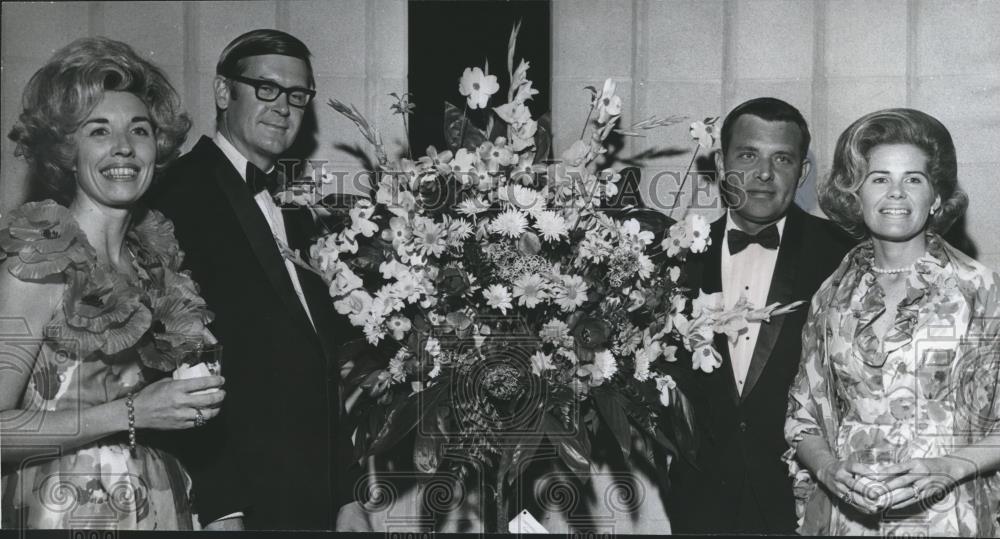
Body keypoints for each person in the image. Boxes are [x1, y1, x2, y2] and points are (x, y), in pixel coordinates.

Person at [0, 37, 225, 530]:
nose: (123, 146)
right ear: (67, 149)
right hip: (62, 509)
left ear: (157, 147)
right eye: (99, 131)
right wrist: (129, 414)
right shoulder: (37, 266)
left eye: (139, 130)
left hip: (159, 502)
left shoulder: (156, 266)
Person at [147, 29, 357, 530]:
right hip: (236, 499)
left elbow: (319, 361)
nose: (283, 106)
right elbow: (171, 360)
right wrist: (221, 505)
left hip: (312, 496)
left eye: (297, 95)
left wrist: (346, 494)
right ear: (224, 92)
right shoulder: (175, 193)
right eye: (266, 88)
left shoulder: (300, 210)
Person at [784, 108, 1000, 536]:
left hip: (947, 517)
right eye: (879, 178)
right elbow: (802, 413)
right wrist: (828, 469)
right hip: (850, 518)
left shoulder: (979, 290)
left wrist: (949, 466)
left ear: (936, 197)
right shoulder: (830, 294)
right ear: (855, 195)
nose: (896, 193)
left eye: (913, 179)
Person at [664, 97, 855, 533]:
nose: (764, 174)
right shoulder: (673, 259)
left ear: (802, 173)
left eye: (782, 159)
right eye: (748, 155)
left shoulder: (843, 256)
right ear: (720, 163)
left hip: (805, 505)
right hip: (700, 503)